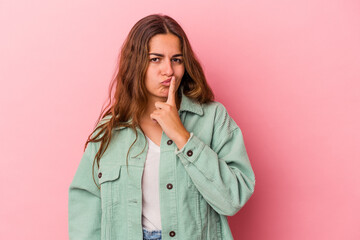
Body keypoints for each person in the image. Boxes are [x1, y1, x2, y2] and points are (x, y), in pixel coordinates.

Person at [68, 14, 256, 240]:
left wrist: (182, 136)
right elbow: (85, 210)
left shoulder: (212, 118)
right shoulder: (110, 129)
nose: (168, 70)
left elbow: (233, 199)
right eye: (155, 59)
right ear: (136, 62)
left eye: (176, 59)